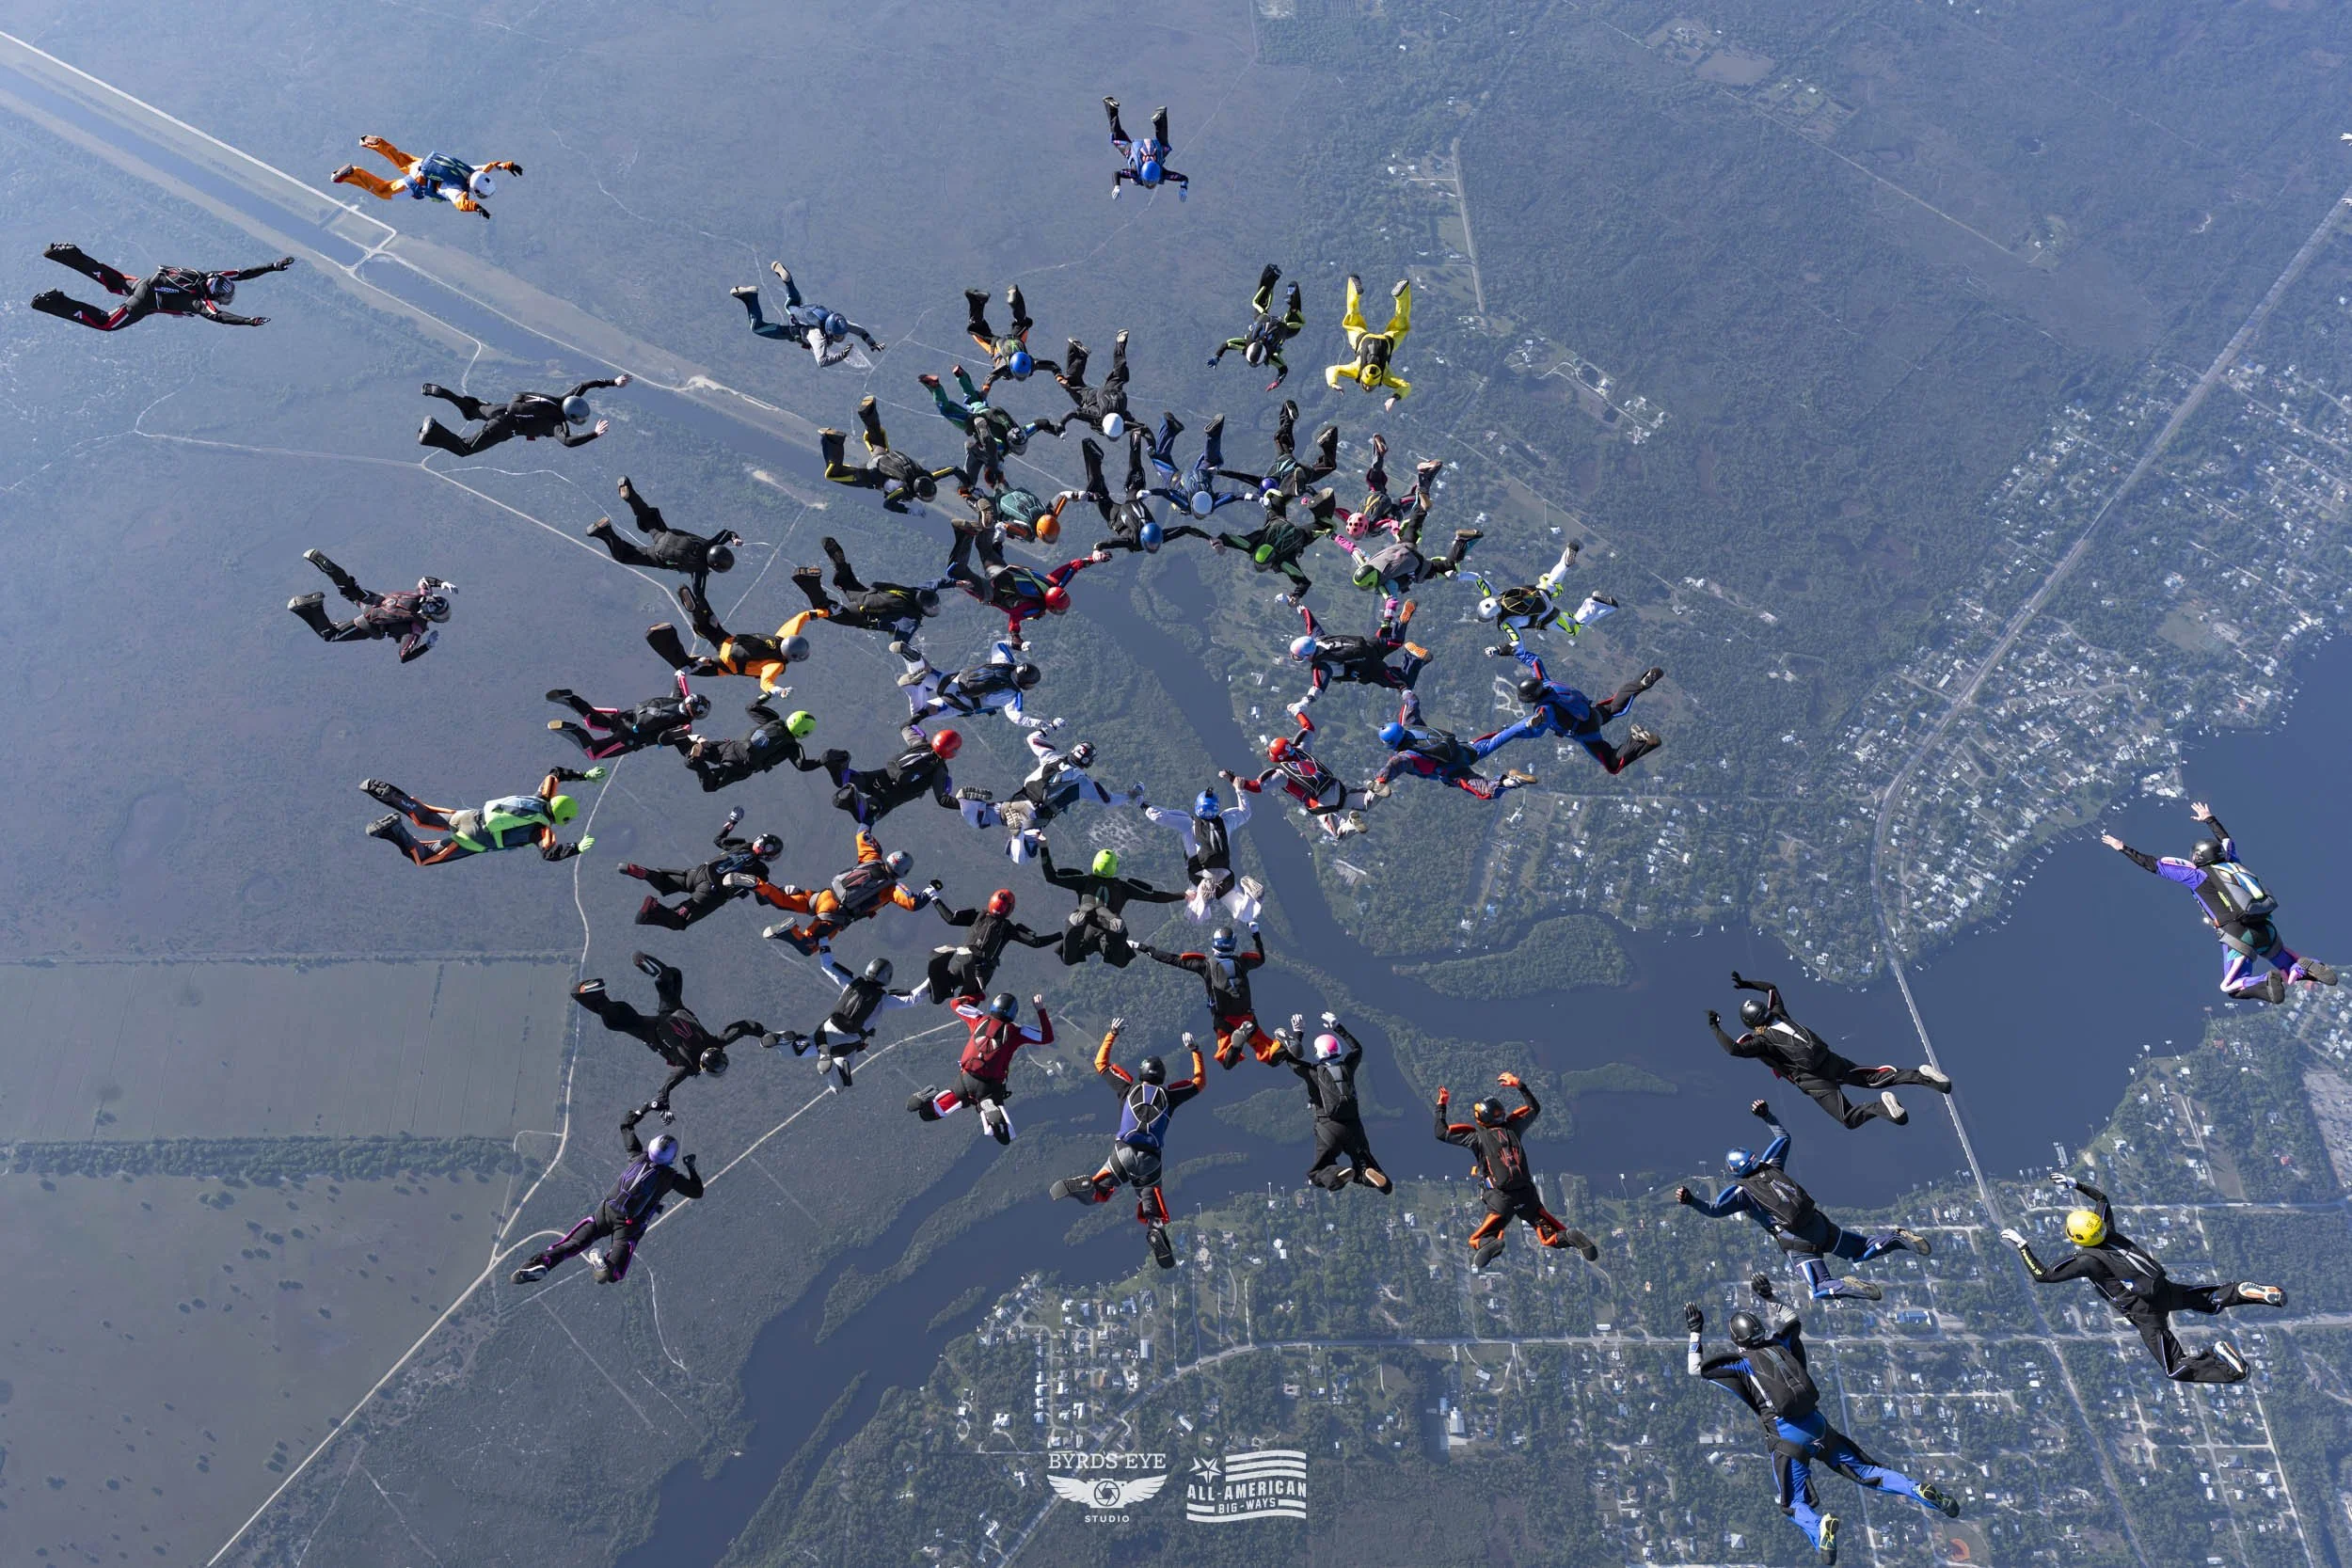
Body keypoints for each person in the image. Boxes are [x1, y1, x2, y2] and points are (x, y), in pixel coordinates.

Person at [1685, 1282, 1962, 1565]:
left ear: (1737, 1341)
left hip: (1787, 1436)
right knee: (1868, 1471)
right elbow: (1792, 1320)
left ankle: (1820, 1529)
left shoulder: (1740, 1363)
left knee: (1793, 1504)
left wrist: (1696, 1330)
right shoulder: (1780, 1345)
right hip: (1818, 1425)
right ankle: (1917, 1490)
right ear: (1759, 1330)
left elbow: (1696, 1369)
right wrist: (1770, 1297)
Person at [2001, 1175, 2285, 1384]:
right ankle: (2242, 1291)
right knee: (2209, 1301)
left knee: (2175, 1368)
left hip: (2144, 1312)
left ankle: (2226, 1364)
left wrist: (2022, 1245)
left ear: (2077, 1238)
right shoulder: (2108, 1232)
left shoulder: (2087, 1261)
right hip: (2162, 1288)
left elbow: (2043, 1275)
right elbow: (2102, 1199)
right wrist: (2075, 1185)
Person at [1677, 1101, 1931, 1301]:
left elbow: (1713, 1210)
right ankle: (1896, 1238)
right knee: (1861, 1250)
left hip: (1797, 1242)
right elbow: (1783, 1136)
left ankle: (1847, 1286)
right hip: (1820, 1224)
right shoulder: (1770, 1164)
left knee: (1821, 1287)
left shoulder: (1741, 1192)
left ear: (1734, 1171)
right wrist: (1767, 1116)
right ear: (1752, 1158)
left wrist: (1690, 1200)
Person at [2103, 800, 2338, 1004]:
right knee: (2287, 966)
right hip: (2265, 927)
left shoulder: (2195, 874)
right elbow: (2227, 840)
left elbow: (2153, 864)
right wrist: (2210, 819)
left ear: (2196, 858)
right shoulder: (2231, 862)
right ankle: (2303, 967)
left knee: (2231, 987)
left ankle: (2264, 983)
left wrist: (2122, 848)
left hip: (2237, 933)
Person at [1051, 1019, 1205, 1269]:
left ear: (1142, 1073)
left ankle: (1090, 1185)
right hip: (1151, 1162)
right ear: (1162, 1077)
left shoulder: (1128, 1088)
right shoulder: (1169, 1096)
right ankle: (1155, 1229)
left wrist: (1111, 1033)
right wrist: (1195, 1051)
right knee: (1152, 1208)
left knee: (1099, 1193)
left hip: (1122, 1153)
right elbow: (1198, 1083)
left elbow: (1100, 1064)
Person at [1708, 973, 1949, 1130]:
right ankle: (1924, 1076)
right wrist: (1746, 984)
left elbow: (1734, 1050)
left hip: (1814, 1081)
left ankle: (1883, 1109)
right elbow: (1772, 987)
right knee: (1874, 1078)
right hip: (1829, 1059)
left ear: (1750, 1024)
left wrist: (1714, 1026)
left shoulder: (1761, 1042)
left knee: (1849, 1118)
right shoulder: (1781, 1015)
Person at [510, 1107, 700, 1286]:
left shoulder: (637, 1156)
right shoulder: (670, 1178)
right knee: (613, 1274)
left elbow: (625, 1125)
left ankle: (540, 1262)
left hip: (605, 1211)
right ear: (670, 1158)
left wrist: (647, 1108)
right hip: (628, 1227)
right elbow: (696, 1192)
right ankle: (603, 1265)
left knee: (572, 1244)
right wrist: (691, 1167)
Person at [572, 952, 774, 1119]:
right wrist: (662, 1099)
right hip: (653, 1030)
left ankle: (660, 977)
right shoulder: (689, 1067)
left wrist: (764, 1034)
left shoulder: (717, 1043)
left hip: (672, 1014)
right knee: (617, 1020)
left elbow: (741, 1028)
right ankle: (588, 995)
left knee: (673, 977)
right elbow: (668, 1083)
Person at [1434, 1072, 1597, 1267]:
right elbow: (1534, 1108)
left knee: (1479, 1238)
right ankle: (1569, 1237)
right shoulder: (1513, 1128)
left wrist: (1442, 1105)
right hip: (1527, 1195)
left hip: (1500, 1198)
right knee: (1548, 1236)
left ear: (1480, 1119)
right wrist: (1519, 1085)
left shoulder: (1476, 1138)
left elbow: (1441, 1133)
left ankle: (1493, 1243)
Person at [958, 728, 1143, 861]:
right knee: (1023, 856)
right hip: (1031, 815)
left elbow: (1032, 738)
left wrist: (1050, 727)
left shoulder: (1051, 756)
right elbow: (1109, 800)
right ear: (1088, 762)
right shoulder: (1083, 782)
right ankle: (1018, 835)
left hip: (1012, 803)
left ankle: (967, 800)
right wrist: (1132, 794)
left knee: (977, 818)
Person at [751, 828, 943, 953]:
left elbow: (862, 832)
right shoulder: (891, 889)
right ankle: (787, 932)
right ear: (903, 872)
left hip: (823, 896)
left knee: (784, 901)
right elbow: (914, 903)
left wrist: (870, 815)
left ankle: (758, 884)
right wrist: (931, 889)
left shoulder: (872, 858)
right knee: (810, 945)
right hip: (835, 914)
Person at [361, 769, 600, 866]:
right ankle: (393, 830)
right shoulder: (541, 831)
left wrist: (585, 776)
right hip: (473, 839)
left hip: (470, 816)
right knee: (423, 858)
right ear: (562, 818)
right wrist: (576, 848)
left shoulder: (540, 797)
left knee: (424, 815)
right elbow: (549, 853)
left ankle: (388, 793)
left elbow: (555, 772)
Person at [31, 244, 291, 331]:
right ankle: (52, 302)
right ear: (213, 293)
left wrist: (272, 266)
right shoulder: (199, 301)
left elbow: (243, 273)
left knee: (111, 280)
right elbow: (220, 317)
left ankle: (65, 254)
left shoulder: (206, 275)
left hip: (144, 283)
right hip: (144, 301)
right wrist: (248, 321)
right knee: (106, 323)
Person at [1486, 649, 1662, 775]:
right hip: (1592, 714)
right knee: (1613, 707)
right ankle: (1640, 684)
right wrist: (1508, 650)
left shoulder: (1545, 709)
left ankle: (1639, 740)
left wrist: (1517, 729)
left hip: (1586, 732)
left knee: (1612, 765)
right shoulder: (1545, 682)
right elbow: (1534, 661)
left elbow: (1537, 731)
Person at [909, 991, 1054, 1145]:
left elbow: (955, 1004)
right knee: (1006, 1137)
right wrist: (1040, 1010)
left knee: (929, 1114)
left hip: (965, 1080)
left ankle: (922, 1100)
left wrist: (979, 996)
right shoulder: (1017, 1032)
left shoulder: (979, 1019)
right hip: (988, 1087)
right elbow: (1047, 1037)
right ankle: (988, 1105)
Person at [1270, 1012, 1391, 1193]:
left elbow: (1291, 1060)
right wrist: (1337, 1026)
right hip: (1354, 1127)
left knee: (1318, 1172)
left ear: (1318, 1053)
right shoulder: (1347, 1067)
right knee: (1365, 1163)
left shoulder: (1313, 1072)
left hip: (1328, 1127)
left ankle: (1338, 1172)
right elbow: (1357, 1049)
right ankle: (1366, 1173)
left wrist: (1298, 1033)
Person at [616, 807, 784, 930]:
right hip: (711, 892)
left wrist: (732, 821)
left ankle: (646, 874)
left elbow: (718, 839)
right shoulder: (761, 871)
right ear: (769, 854)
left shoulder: (743, 846)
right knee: (679, 920)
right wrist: (782, 893)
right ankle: (653, 909)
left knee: (665, 881)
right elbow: (763, 898)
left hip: (699, 873)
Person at [774, 952, 922, 1089]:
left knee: (795, 1050)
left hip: (825, 1031)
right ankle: (830, 1067)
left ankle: (773, 1037)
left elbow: (827, 965)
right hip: (845, 1043)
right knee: (838, 1086)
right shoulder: (883, 999)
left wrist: (823, 940)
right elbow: (912, 998)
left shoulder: (852, 983)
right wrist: (934, 977)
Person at [1364, 690, 1534, 804]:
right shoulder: (1408, 724)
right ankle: (1525, 723)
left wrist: (1380, 781)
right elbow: (1412, 702)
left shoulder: (1405, 756)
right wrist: (1404, 689)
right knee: (1496, 740)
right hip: (1462, 751)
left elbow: (1393, 765)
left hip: (1453, 771)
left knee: (1487, 791)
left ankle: (1512, 781)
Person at [583, 477, 743, 596]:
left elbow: (727, 533)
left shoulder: (709, 544)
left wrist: (735, 539)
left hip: (666, 536)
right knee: (624, 556)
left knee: (646, 517)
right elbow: (699, 593)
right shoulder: (700, 570)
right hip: (658, 555)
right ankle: (605, 532)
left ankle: (630, 495)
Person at [1036, 840, 1184, 967]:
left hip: (1086, 930)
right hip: (1107, 934)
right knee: (1121, 962)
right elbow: (1155, 896)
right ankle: (1113, 924)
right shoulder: (1123, 887)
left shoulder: (1084, 881)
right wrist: (1183, 895)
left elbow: (1052, 876)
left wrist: (1043, 847)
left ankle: (1077, 920)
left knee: (1068, 958)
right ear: (1114, 867)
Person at [286, 549, 453, 662]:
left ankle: (326, 567)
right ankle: (315, 607)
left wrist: (442, 583)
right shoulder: (415, 629)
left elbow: (425, 580)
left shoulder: (420, 596)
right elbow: (404, 656)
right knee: (330, 635)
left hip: (373, 600)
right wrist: (427, 646)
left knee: (348, 587)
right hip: (370, 623)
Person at [1138, 925, 1269, 1069]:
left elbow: (1171, 959)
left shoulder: (1206, 965)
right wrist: (1255, 933)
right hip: (1247, 1016)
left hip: (1224, 1020)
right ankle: (1291, 1040)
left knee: (1227, 1061)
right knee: (1269, 1054)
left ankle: (1237, 1044)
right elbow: (1260, 958)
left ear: (1214, 944)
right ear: (1233, 944)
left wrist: (1145, 948)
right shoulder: (1242, 962)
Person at [649, 588, 813, 700]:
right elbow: (766, 683)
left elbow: (802, 616)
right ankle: (663, 634)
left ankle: (699, 603)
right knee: (683, 666)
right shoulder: (775, 665)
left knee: (709, 625)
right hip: (725, 664)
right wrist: (780, 691)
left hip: (730, 641)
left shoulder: (783, 636)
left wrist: (826, 611)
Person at [918, 366, 1064, 489]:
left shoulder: (1022, 432)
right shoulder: (1002, 446)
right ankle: (935, 387)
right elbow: (991, 452)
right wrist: (993, 468)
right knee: (947, 410)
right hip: (972, 419)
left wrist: (1055, 429)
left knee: (971, 395)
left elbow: (1040, 423)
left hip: (984, 407)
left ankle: (960, 375)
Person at [1068, 433, 1212, 556]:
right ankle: (1132, 440)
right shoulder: (1132, 540)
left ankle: (1125, 441)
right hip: (1118, 515)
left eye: (1154, 545)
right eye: (1153, 545)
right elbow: (1103, 544)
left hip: (1131, 503)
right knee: (1103, 489)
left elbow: (1186, 530)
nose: (1154, 547)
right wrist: (1096, 550)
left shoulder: (1158, 536)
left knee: (1102, 490)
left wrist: (1210, 538)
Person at [1142, 782, 1262, 924]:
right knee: (1244, 914)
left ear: (1198, 807)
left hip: (1201, 875)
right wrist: (1239, 790)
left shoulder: (1189, 824)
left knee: (1194, 916)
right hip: (1225, 874)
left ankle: (1203, 898)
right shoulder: (1226, 821)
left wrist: (1143, 805)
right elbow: (1245, 813)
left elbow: (1160, 817)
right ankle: (1250, 896)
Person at [418, 375, 628, 456]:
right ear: (571, 416)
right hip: (501, 428)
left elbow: (584, 385)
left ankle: (441, 392)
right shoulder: (556, 425)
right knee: (464, 448)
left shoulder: (560, 399)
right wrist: (595, 434)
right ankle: (431, 431)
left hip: (501, 409)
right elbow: (569, 442)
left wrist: (612, 382)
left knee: (471, 409)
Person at [789, 535, 945, 644]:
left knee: (846, 581)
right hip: (860, 614)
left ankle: (841, 565)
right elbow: (901, 642)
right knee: (823, 609)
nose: (933, 609)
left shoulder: (917, 591)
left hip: (867, 594)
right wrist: (908, 653)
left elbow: (938, 583)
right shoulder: (912, 621)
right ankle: (808, 580)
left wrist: (957, 583)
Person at [1286, 597, 1429, 716]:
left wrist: (1303, 704)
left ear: (1307, 655)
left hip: (1369, 669)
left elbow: (1317, 689)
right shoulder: (1318, 639)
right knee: (1395, 642)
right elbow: (1308, 619)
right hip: (1367, 646)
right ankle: (1400, 623)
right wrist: (1295, 603)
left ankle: (1415, 658)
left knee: (1403, 683)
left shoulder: (1321, 665)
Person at [1469, 539, 1617, 652]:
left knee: (1574, 628)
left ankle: (1593, 602)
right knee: (1552, 581)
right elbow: (1477, 578)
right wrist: (1456, 574)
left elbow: (1517, 643)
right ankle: (1565, 562)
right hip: (1538, 593)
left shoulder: (1507, 623)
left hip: (1548, 616)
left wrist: (1498, 649)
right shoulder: (1496, 595)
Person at [948, 546, 1111, 648]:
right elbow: (1014, 618)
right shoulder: (1034, 607)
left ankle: (995, 540)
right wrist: (1016, 637)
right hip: (991, 594)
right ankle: (961, 562)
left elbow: (1072, 567)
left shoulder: (1052, 584)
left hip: (1004, 571)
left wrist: (1094, 559)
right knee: (958, 576)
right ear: (1051, 606)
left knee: (986, 549)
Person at [819, 396, 960, 513]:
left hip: (884, 458)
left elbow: (952, 469)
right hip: (870, 474)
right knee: (834, 475)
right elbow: (888, 504)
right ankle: (833, 441)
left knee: (876, 437)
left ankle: (868, 411)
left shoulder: (927, 475)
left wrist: (968, 484)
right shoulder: (904, 490)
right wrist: (908, 511)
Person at [1235, 714, 1367, 839]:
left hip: (1318, 803)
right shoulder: (1301, 750)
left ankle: (1349, 824)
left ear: (1277, 757)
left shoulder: (1281, 774)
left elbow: (1256, 787)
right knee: (1363, 802)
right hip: (1334, 786)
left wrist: (1233, 779)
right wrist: (1297, 711)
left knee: (1339, 834)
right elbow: (1309, 727)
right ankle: (1374, 790)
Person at [921, 888, 1058, 1004]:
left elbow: (950, 919)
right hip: (980, 971)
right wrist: (1060, 935)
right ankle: (967, 983)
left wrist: (934, 898)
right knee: (967, 1005)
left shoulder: (978, 916)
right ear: (1009, 909)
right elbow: (1036, 943)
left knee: (938, 998)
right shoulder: (1007, 928)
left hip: (959, 961)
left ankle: (937, 967)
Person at [729, 261, 882, 365]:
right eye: (838, 336)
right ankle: (751, 297)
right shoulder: (817, 337)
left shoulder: (838, 322)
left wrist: (872, 343)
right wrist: (841, 356)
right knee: (757, 328)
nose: (840, 338)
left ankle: (788, 281)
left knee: (793, 302)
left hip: (804, 312)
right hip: (791, 330)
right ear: (829, 331)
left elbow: (860, 331)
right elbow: (822, 362)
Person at [817, 724, 962, 827]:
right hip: (890, 796)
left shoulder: (920, 743)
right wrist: (967, 805)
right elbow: (943, 800)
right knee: (868, 816)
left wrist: (921, 715)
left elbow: (905, 726)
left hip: (881, 777)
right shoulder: (940, 771)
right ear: (952, 753)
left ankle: (840, 766)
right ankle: (857, 802)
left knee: (858, 780)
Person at [1213, 487, 1341, 604]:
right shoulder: (1251, 545)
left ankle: (1320, 509)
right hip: (1277, 520)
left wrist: (1296, 595)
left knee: (1324, 526)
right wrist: (1219, 542)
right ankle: (1292, 488)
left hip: (1300, 535)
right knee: (1275, 499)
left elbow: (1304, 582)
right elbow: (1231, 539)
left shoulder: (1283, 563)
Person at [334, 137, 519, 217]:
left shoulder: (471, 171)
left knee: (400, 159)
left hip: (423, 164)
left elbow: (489, 167)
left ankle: (373, 142)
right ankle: (353, 173)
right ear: (476, 190)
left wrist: (506, 165)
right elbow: (461, 204)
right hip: (415, 184)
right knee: (384, 191)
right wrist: (477, 207)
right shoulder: (457, 189)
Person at [896, 639, 1055, 731]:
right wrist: (1040, 723)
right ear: (1026, 684)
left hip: (950, 680)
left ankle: (915, 660)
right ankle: (914, 686)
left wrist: (1019, 646)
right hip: (954, 703)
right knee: (920, 712)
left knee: (926, 673)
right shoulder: (1013, 696)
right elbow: (1017, 718)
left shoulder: (1004, 663)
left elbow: (998, 645)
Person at [545, 672, 707, 761]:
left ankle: (571, 698)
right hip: (629, 738)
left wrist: (693, 665)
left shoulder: (680, 697)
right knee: (595, 753)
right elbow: (667, 739)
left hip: (627, 716)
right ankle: (573, 730)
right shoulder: (685, 726)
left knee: (595, 719)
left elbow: (680, 675)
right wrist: (692, 749)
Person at [673, 701, 824, 792]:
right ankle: (696, 762)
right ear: (804, 732)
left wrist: (770, 693)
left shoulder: (773, 720)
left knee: (702, 749)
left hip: (730, 747)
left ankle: (688, 737)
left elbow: (751, 707)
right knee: (710, 785)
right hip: (739, 766)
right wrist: (823, 760)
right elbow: (802, 765)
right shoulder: (792, 746)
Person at [1219, 398, 1341, 503]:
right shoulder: (1261, 481)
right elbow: (1241, 477)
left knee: (1328, 465)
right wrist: (1219, 472)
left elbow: (1307, 490)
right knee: (1281, 439)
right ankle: (1287, 416)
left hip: (1298, 473)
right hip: (1284, 459)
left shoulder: (1281, 492)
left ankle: (1326, 442)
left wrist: (1314, 495)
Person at [1340, 512, 1481, 599]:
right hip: (1403, 546)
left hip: (1418, 566)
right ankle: (1422, 498)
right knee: (1413, 527)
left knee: (1448, 567)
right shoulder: (1366, 562)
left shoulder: (1384, 584)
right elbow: (1352, 548)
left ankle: (1462, 541)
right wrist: (1333, 535)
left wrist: (1387, 621)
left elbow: (1392, 600)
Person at [1209, 263, 1305, 389]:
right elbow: (1226, 344)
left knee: (1295, 327)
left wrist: (1276, 382)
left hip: (1282, 327)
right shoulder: (1246, 343)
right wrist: (1217, 356)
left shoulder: (1270, 357)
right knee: (1258, 304)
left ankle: (1293, 304)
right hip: (1264, 319)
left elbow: (1283, 370)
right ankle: (1271, 274)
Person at [1143, 413, 1251, 522]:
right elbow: (1166, 493)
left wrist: (1257, 498)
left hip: (1201, 475)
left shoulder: (1212, 503)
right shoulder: (1185, 504)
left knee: (1210, 460)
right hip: (1177, 480)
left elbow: (1233, 496)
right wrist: (1149, 492)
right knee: (1160, 460)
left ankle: (1214, 433)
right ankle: (1169, 427)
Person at [1326, 275, 1411, 407]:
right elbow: (1332, 369)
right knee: (1352, 319)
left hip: (1386, 341)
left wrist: (1394, 397)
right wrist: (1333, 383)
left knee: (1401, 325)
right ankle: (1354, 290)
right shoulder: (1355, 370)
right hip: (1362, 338)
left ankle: (1401, 296)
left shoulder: (1385, 376)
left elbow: (1405, 386)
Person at [965, 283, 1061, 389]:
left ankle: (1015, 298)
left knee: (1022, 323)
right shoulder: (1004, 366)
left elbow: (1052, 365)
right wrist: (985, 390)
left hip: (1017, 339)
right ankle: (975, 299)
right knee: (975, 329)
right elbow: (990, 377)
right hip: (996, 344)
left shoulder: (1032, 363)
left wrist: (1059, 376)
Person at [1056, 330, 1134, 437]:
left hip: (1108, 395)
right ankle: (1080, 354)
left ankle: (1120, 344)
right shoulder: (1095, 417)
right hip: (1090, 398)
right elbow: (1073, 413)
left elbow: (1141, 428)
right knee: (1072, 383)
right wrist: (1061, 424)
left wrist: (1149, 442)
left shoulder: (1124, 420)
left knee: (1118, 376)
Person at [1104, 98, 1188, 198]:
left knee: (1165, 146)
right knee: (1116, 138)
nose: (1150, 184)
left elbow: (1183, 178)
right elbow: (1117, 174)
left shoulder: (1162, 173)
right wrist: (1117, 186)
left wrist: (1184, 186)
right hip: (1133, 148)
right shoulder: (1136, 173)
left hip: (1150, 148)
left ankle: (1161, 118)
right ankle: (1111, 107)